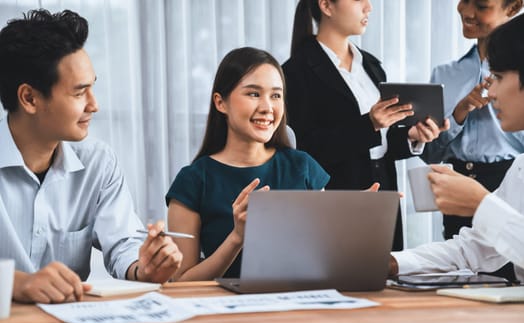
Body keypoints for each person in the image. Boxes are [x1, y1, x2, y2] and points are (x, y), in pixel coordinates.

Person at [0, 9, 183, 304]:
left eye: (92, 87)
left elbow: (124, 242)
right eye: (79, 93)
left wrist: (144, 267)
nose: (94, 105)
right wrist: (17, 284)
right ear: (30, 98)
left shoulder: (98, 162)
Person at [282, 0, 449, 251]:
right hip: (338, 194)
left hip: (384, 185)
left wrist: (411, 137)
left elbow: (379, 143)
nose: (368, 7)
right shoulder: (295, 72)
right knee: (343, 276)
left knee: (385, 276)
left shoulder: (371, 66)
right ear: (326, 5)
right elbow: (304, 150)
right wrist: (368, 124)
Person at [165, 47, 330, 281]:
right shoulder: (193, 181)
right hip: (225, 311)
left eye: (276, 95)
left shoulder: (302, 167)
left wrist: (347, 222)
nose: (267, 107)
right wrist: (237, 238)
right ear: (221, 103)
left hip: (298, 306)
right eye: (254, 94)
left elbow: (324, 259)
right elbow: (181, 283)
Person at [389, 13, 524, 283]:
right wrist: (392, 263)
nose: (491, 92)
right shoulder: (522, 167)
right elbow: (474, 250)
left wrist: (481, 203)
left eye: (497, 77)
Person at [423, 0, 524, 239]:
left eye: (480, 6)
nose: (467, 11)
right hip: (457, 182)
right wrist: (460, 112)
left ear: (512, 9)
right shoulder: (443, 74)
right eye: (464, 1)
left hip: (507, 181)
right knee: (461, 262)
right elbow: (430, 153)